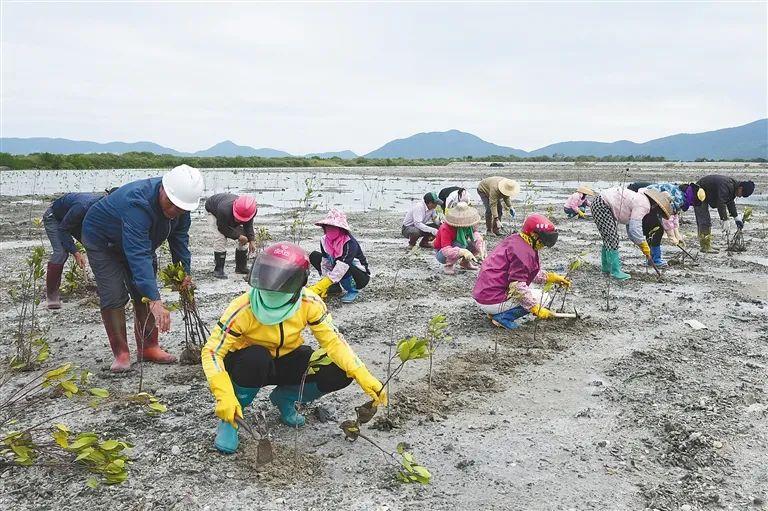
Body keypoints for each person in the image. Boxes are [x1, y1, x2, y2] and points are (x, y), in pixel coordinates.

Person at [202, 242, 387, 454]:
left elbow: (334, 342)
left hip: (288, 359)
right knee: (256, 357)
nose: (273, 288)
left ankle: (286, 398)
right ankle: (233, 416)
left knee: (340, 369)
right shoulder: (242, 308)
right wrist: (223, 395)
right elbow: (212, 352)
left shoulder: (309, 303)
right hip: (250, 365)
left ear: (299, 282)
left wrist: (362, 374)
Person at [82, 164, 205, 372]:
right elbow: (137, 254)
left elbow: (179, 240)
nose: (174, 212)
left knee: (142, 292)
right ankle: (121, 354)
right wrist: (155, 300)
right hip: (103, 241)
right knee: (114, 293)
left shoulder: (182, 208)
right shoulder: (137, 202)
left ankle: (148, 347)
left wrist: (184, 273)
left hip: (139, 242)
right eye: (172, 204)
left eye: (181, 209)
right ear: (163, 189)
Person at [472, 214, 570, 330]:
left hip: (484, 295)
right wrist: (535, 308)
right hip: (492, 299)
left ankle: (494, 312)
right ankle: (503, 317)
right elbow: (517, 286)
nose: (543, 245)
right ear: (533, 235)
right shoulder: (523, 253)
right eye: (542, 242)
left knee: (531, 294)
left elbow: (526, 272)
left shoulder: (516, 240)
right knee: (542, 298)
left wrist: (551, 278)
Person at [42, 188, 117, 309]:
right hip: (55, 218)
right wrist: (76, 252)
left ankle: (104, 288)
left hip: (76, 221)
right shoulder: (83, 206)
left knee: (98, 247)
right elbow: (63, 229)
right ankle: (51, 295)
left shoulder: (107, 209)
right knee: (61, 252)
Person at [591, 186, 672, 280]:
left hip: (601, 202)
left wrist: (640, 243)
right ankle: (615, 271)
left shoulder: (640, 199)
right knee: (611, 238)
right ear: (655, 205)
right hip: (602, 204)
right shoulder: (643, 205)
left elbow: (630, 229)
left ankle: (607, 269)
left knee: (609, 237)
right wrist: (643, 244)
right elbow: (634, 228)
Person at [627, 182, 706, 266]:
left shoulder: (680, 192)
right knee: (656, 230)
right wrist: (671, 236)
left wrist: (677, 235)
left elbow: (674, 216)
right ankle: (655, 260)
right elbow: (666, 218)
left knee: (654, 229)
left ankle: (652, 259)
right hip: (643, 200)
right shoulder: (678, 197)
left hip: (650, 203)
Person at [308, 209, 370, 303]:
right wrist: (325, 282)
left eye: (334, 227)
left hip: (358, 275)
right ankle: (334, 287)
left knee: (343, 265)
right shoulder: (324, 241)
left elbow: (342, 267)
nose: (330, 230)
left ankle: (352, 290)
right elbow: (325, 262)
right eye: (328, 227)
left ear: (341, 229)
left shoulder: (349, 243)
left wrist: (321, 285)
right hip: (337, 266)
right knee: (315, 256)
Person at [693, 175, 755, 253]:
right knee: (705, 221)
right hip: (698, 192)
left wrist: (736, 217)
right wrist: (724, 219)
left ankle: (707, 244)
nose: (740, 196)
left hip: (706, 194)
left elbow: (730, 202)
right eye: (741, 194)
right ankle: (705, 246)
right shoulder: (727, 186)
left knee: (706, 221)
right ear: (741, 188)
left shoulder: (733, 187)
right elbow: (721, 202)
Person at [205, 193, 258, 278]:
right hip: (213, 211)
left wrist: (251, 240)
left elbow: (248, 225)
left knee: (245, 238)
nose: (238, 220)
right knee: (220, 238)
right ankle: (218, 269)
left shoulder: (251, 210)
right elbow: (222, 228)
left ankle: (241, 267)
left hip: (228, 213)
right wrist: (238, 236)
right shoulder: (223, 209)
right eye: (238, 217)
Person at [433, 202, 486, 275]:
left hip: (457, 245)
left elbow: (475, 235)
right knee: (461, 244)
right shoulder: (445, 228)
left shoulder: (468, 225)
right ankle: (449, 265)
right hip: (442, 253)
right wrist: (463, 252)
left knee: (477, 242)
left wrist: (481, 249)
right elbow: (446, 250)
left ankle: (465, 262)